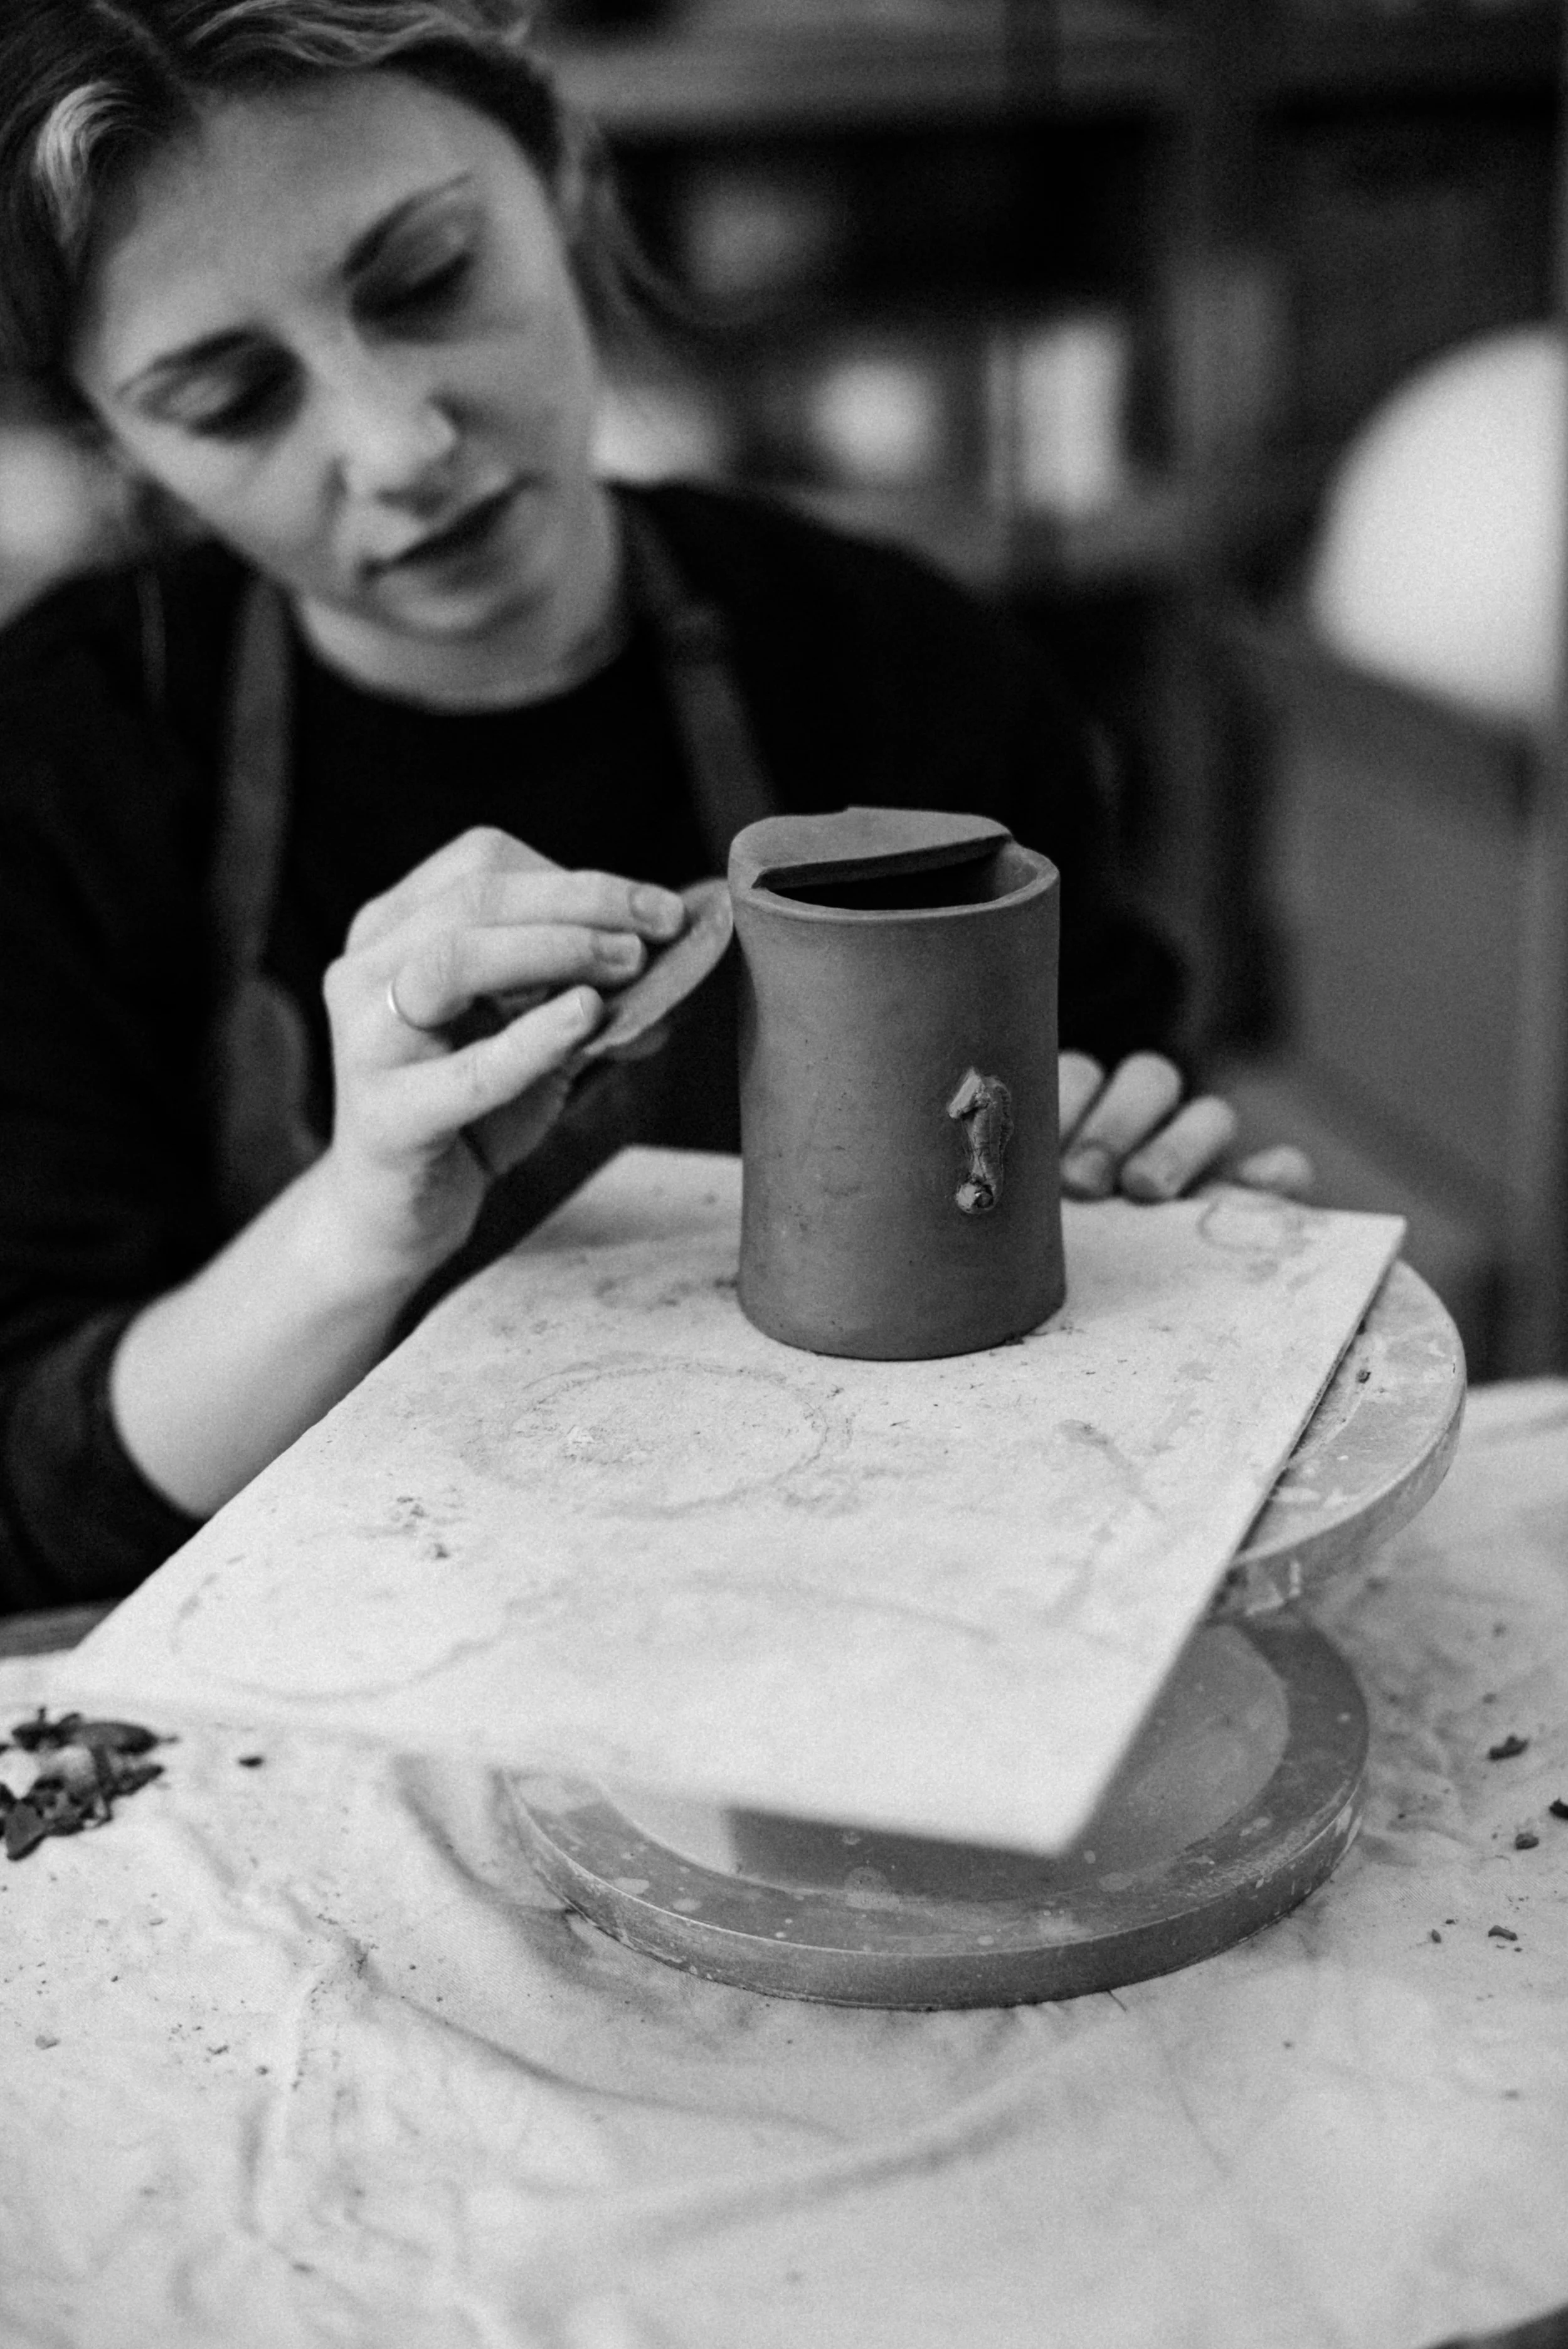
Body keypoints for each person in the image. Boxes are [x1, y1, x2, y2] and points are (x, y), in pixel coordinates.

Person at [0, 0, 1305, 1613]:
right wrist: (356, 1225)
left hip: (874, 1610)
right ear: (112, 434)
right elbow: (30, 1499)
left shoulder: (908, 669)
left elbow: (1114, 1216)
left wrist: (1134, 1221)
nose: (399, 447)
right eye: (226, 400)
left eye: (429, 282)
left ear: (564, 185)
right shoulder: (63, 760)